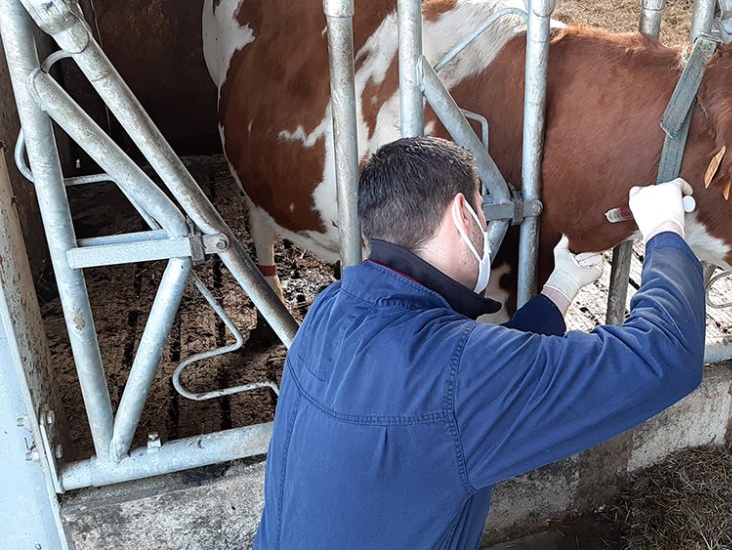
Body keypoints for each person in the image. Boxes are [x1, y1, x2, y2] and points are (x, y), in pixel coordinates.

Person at [254, 136, 706, 549]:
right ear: (461, 215)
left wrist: (559, 290)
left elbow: (465, 384)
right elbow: (666, 354)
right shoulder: (454, 373)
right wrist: (665, 230)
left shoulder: (333, 307)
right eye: (482, 211)